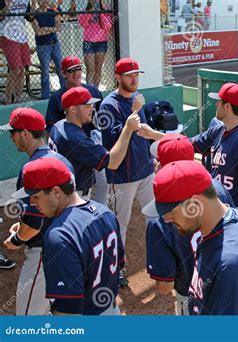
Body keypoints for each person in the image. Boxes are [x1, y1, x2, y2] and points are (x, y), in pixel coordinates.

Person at [137, 83, 238, 232]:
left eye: (219, 101)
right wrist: (154, 134)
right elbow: (185, 144)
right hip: (223, 208)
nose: (216, 104)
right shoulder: (219, 131)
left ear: (227, 107)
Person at [149, 160, 238, 315]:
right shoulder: (221, 224)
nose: (166, 219)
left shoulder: (231, 264)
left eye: (170, 211)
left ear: (195, 205)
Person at [12, 158, 124, 315]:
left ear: (57, 192)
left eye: (36, 196)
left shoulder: (59, 236)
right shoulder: (105, 213)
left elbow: (68, 309)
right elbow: (119, 263)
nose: (31, 203)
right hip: (111, 310)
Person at [143, 133, 235, 315]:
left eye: (159, 161)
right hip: (224, 287)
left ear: (163, 166)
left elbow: (164, 286)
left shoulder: (160, 218)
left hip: (190, 296)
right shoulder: (215, 190)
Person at [0, 108, 74, 315]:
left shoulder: (34, 168)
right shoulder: (61, 160)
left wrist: (16, 240)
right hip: (70, 244)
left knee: (28, 317)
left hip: (45, 250)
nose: (11, 138)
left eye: (12, 132)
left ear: (25, 133)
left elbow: (33, 224)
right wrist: (24, 222)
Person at [98, 57, 154, 287]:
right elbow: (114, 142)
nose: (134, 79)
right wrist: (133, 113)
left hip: (146, 170)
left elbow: (145, 132)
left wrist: (153, 157)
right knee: (119, 223)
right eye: (130, 75)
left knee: (157, 215)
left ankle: (163, 262)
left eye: (137, 75)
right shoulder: (107, 106)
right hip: (122, 177)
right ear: (118, 78)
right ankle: (116, 267)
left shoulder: (136, 100)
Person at [49, 87, 141, 198]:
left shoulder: (58, 126)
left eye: (92, 105)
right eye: (87, 106)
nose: (92, 109)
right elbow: (113, 162)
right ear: (73, 109)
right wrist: (128, 128)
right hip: (73, 196)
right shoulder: (75, 139)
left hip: (64, 191)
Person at [45, 55, 108, 204]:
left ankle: (98, 209)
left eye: (78, 69)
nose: (76, 73)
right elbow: (50, 128)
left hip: (92, 147)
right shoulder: (57, 98)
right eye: (71, 70)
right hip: (73, 152)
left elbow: (104, 119)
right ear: (64, 74)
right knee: (78, 188)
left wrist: (100, 135)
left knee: (102, 182)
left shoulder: (93, 91)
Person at [31, 0, 65, 99]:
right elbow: (38, 32)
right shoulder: (34, 14)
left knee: (60, 69)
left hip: (55, 44)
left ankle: (64, 91)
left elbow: (59, 28)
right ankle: (45, 96)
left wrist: (45, 28)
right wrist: (51, 29)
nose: (45, 1)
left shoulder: (52, 11)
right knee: (45, 71)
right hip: (43, 46)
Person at [0, 0, 32, 104]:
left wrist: (36, 6)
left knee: (22, 69)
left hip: (22, 36)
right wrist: (7, 6)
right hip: (6, 34)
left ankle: (18, 99)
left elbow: (30, 17)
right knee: (15, 70)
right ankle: (8, 99)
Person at [78, 0, 112, 87]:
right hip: (89, 43)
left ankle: (96, 90)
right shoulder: (85, 12)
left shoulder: (105, 12)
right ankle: (90, 91)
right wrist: (90, 12)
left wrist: (100, 13)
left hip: (101, 42)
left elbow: (107, 26)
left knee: (98, 68)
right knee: (90, 69)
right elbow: (83, 24)